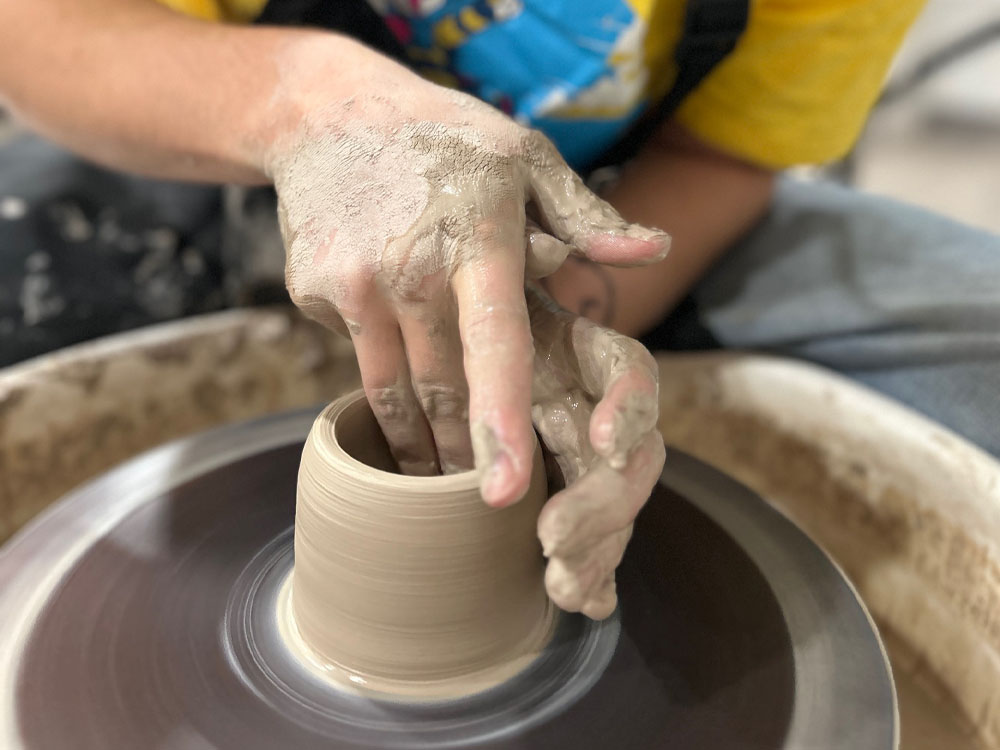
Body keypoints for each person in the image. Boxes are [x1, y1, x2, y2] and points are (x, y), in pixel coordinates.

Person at [1, 0, 998, 619]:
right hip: (228, 137)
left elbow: (724, 157)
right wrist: (306, 106)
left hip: (601, 203)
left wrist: (553, 317)